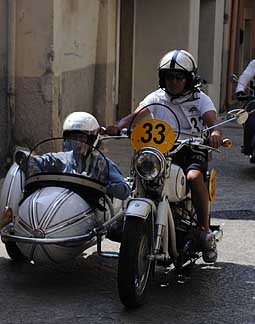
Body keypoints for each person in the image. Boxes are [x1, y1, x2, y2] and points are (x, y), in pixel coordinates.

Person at [105, 49, 221, 263]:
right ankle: (130, 221)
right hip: (161, 149)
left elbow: (211, 119)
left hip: (191, 148)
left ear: (189, 79)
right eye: (169, 77)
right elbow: (137, 114)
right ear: (162, 78)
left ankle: (204, 230)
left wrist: (214, 132)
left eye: (179, 77)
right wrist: (118, 126)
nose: (174, 82)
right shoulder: (157, 97)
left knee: (194, 177)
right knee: (139, 176)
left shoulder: (200, 98)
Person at [27, 112, 130, 200]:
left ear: (91, 139)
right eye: (73, 138)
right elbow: (32, 161)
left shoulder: (102, 163)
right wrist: (39, 185)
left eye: (81, 138)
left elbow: (124, 190)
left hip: (90, 211)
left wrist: (104, 185)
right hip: (60, 207)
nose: (77, 143)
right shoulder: (59, 159)